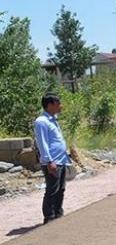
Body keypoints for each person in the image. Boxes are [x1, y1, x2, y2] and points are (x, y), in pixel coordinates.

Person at [33, 93, 72, 224]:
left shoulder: (53, 119)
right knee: (52, 189)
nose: (60, 106)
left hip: (61, 160)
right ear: (50, 105)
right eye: (58, 103)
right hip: (52, 162)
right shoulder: (41, 122)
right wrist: (49, 161)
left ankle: (58, 213)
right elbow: (42, 143)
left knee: (61, 189)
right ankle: (49, 217)